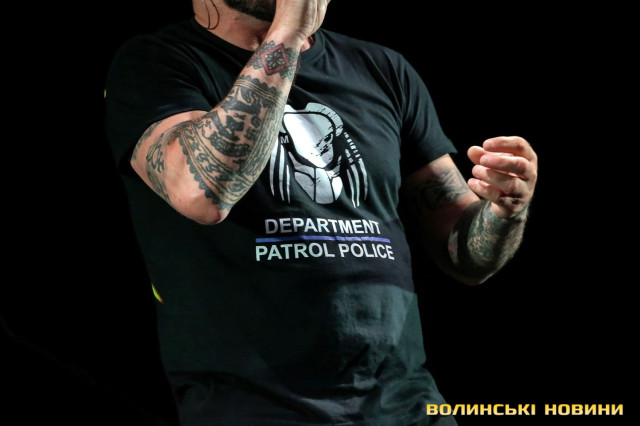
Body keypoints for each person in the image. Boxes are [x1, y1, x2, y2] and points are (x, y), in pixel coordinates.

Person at [104, 0, 538, 424]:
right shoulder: (156, 62)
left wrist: (506, 210)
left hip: (405, 403)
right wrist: (288, 32)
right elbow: (203, 193)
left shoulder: (382, 69)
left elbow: (465, 257)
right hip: (256, 406)